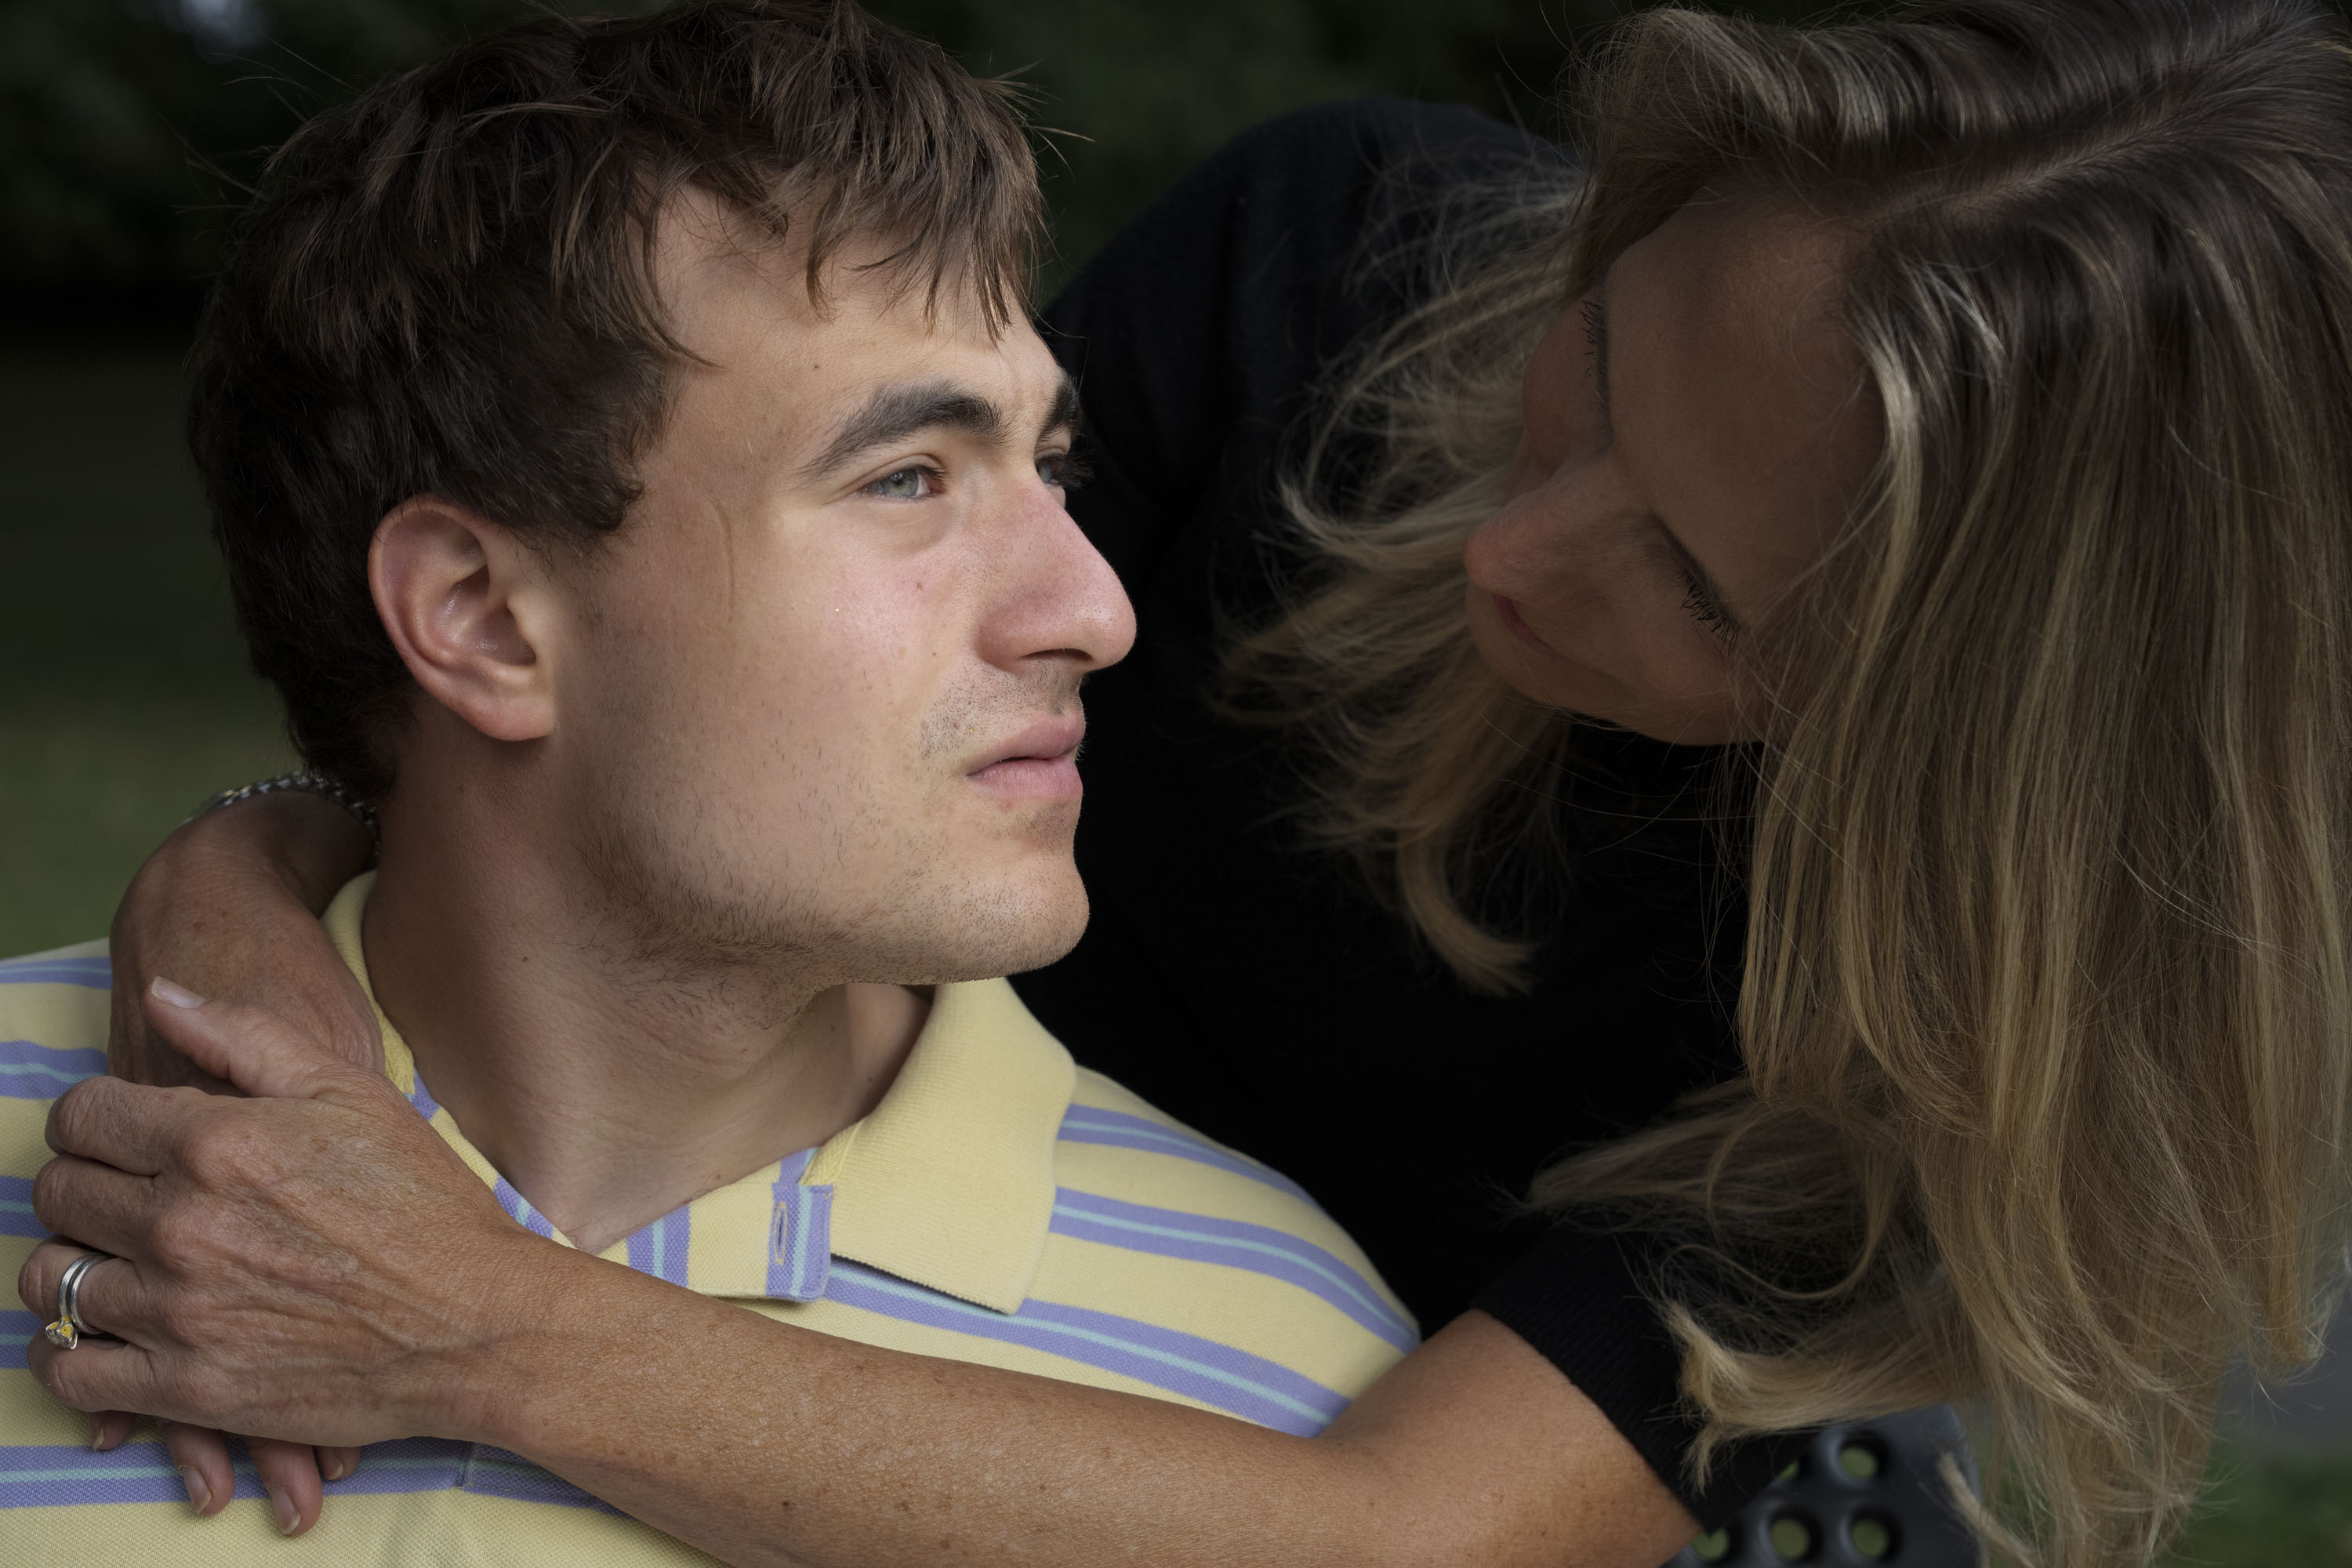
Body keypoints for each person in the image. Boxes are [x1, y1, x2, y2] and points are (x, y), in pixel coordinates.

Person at [25, 0, 2352, 1563]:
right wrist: (238, 916)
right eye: (1596, 368)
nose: (1515, 550)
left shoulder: (1925, 1033)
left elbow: (1392, 1543)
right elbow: (659, 671)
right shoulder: (1332, 274)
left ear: (1937, 732)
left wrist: (461, 1313)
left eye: (1698, 585)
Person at [0, 2, 1422, 1558]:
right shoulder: (51, 1151)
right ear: (481, 618)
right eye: (907, 478)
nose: (1093, 608)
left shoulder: (1290, 1387)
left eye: (1052, 465)